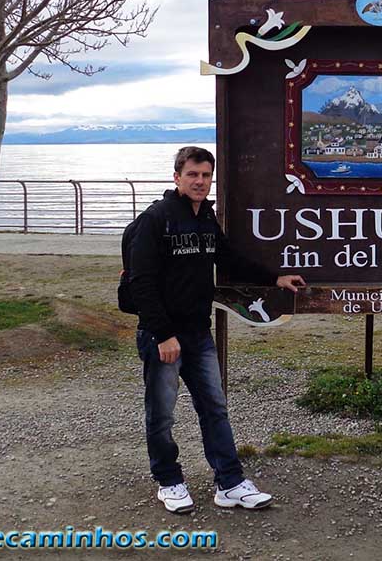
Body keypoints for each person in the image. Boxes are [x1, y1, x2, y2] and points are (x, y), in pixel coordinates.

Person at [130, 146, 306, 513]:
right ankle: (169, 481)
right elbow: (140, 282)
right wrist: (162, 334)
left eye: (206, 175)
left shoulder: (205, 220)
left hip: (197, 332)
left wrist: (275, 278)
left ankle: (230, 483)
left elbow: (229, 259)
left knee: (215, 408)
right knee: (161, 414)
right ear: (176, 177)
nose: (200, 181)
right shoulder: (156, 220)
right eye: (192, 174)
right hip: (163, 337)